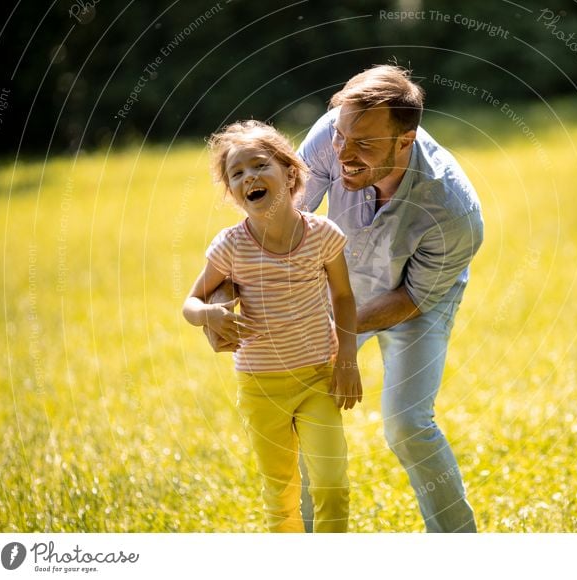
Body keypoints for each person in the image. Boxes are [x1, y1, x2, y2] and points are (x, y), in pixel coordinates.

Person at [297, 65, 483, 533]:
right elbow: (282, 222)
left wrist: (338, 332)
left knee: (406, 424)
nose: (345, 153)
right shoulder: (330, 138)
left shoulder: (452, 210)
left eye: (364, 144)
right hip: (342, 286)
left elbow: (412, 299)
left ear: (406, 140)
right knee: (303, 413)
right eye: (342, 136)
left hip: (415, 300)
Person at [182, 120, 362, 533]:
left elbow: (345, 298)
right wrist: (209, 314)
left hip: (319, 376)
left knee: (332, 485)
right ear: (233, 192)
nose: (249, 177)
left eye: (259, 165)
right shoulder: (230, 245)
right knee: (280, 495)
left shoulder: (323, 236)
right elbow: (190, 304)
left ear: (290, 172)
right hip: (261, 387)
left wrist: (348, 359)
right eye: (237, 174)